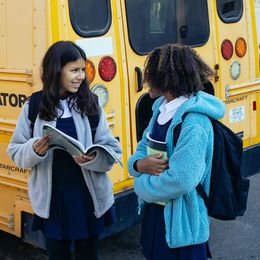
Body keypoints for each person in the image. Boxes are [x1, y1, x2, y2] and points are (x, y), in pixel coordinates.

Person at [7, 41, 122, 260]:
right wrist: (34, 150)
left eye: (82, 70)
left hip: (88, 197)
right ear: (56, 70)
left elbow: (112, 150)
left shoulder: (91, 104)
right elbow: (15, 151)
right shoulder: (34, 106)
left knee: (88, 255)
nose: (81, 76)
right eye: (74, 70)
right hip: (53, 199)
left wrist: (93, 158)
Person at [128, 44, 225, 260]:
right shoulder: (160, 108)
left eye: (150, 75)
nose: (146, 82)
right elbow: (143, 146)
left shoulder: (194, 122)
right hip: (156, 213)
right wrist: (137, 165)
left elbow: (182, 179)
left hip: (183, 221)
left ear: (166, 78)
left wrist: (140, 185)